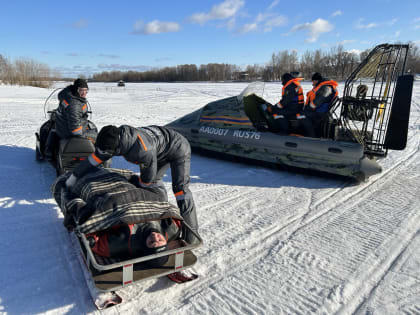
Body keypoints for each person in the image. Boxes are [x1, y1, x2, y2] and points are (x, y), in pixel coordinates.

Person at [65, 124, 199, 244]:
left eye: (107, 152)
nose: (104, 155)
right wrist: (75, 175)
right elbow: (96, 158)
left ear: (116, 148)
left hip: (178, 148)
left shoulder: (140, 151)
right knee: (154, 183)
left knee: (180, 191)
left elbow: (147, 181)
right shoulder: (116, 138)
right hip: (160, 148)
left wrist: (145, 204)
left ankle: (191, 237)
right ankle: (159, 220)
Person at [87, 219, 181, 267]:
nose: (155, 236)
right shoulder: (171, 230)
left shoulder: (122, 241)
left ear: (145, 247)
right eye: (160, 240)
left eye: (151, 242)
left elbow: (95, 242)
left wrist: (91, 239)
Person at [44, 78, 96, 160]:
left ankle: (49, 151)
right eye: (81, 90)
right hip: (69, 132)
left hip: (62, 127)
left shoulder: (66, 95)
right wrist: (85, 137)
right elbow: (75, 129)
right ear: (76, 90)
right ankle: (99, 156)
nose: (84, 93)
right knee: (95, 134)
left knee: (53, 130)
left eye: (86, 90)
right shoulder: (74, 104)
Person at [297, 72, 338, 138]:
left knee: (301, 115)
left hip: (320, 113)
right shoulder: (325, 86)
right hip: (321, 111)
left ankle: (312, 135)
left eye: (313, 81)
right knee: (304, 113)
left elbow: (317, 102)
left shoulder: (326, 88)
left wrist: (308, 108)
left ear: (316, 80)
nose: (312, 83)